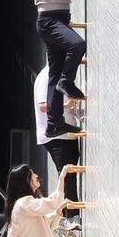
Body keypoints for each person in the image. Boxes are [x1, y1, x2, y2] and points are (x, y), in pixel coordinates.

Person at [33, 0, 88, 137]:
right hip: (51, 20)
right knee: (78, 45)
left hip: (50, 18)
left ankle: (54, 123)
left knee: (54, 72)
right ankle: (67, 82)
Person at [34, 63, 82, 205]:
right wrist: (66, 106)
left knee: (71, 168)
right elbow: (42, 106)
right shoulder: (46, 77)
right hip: (54, 135)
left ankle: (67, 212)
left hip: (66, 131)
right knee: (67, 173)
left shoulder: (57, 72)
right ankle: (70, 215)